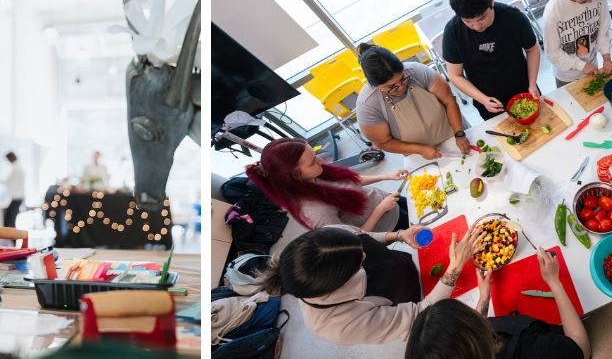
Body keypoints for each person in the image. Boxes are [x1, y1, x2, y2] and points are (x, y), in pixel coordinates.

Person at [263, 225, 472, 345]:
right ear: (336, 285)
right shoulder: (336, 325)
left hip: (407, 269)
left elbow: (366, 236)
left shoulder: (326, 237)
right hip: (418, 303)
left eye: (360, 249)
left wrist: (399, 235)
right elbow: (419, 318)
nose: (365, 254)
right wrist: (454, 269)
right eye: (358, 263)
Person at [405, 249, 590, 359]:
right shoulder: (532, 348)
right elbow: (581, 348)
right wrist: (554, 282)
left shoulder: (473, 348)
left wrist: (483, 298)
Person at [244, 139, 410, 256]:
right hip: (387, 222)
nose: (321, 161)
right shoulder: (314, 211)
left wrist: (386, 176)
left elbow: (350, 181)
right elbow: (353, 240)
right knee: (421, 230)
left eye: (315, 154)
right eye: (312, 162)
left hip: (387, 201)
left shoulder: (315, 172)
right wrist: (380, 209)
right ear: (294, 176)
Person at [442, 0, 543, 121]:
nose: (477, 26)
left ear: (492, 0)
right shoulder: (453, 32)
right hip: (488, 102)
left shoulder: (513, 17)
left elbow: (532, 49)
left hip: (525, 90)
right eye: (468, 21)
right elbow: (455, 76)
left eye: (482, 18)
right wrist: (483, 99)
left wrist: (532, 83)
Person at [356, 43, 474, 161]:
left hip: (455, 134)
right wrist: (420, 149)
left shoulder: (417, 71)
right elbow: (383, 142)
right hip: (419, 155)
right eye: (392, 87)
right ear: (375, 85)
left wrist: (459, 133)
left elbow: (449, 101)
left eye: (403, 79)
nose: (401, 87)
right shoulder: (367, 105)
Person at [540, 0, 612, 88]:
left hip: (592, 68)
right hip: (567, 76)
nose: (591, 1)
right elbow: (553, 53)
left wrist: (606, 58)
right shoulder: (553, 11)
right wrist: (581, 65)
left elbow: (602, 32)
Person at [2, 151, 26, 228]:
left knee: (9, 219)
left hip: (17, 197)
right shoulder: (19, 167)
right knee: (11, 218)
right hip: (18, 196)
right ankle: (12, 233)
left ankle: (12, 234)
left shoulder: (16, 168)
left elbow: (8, 181)